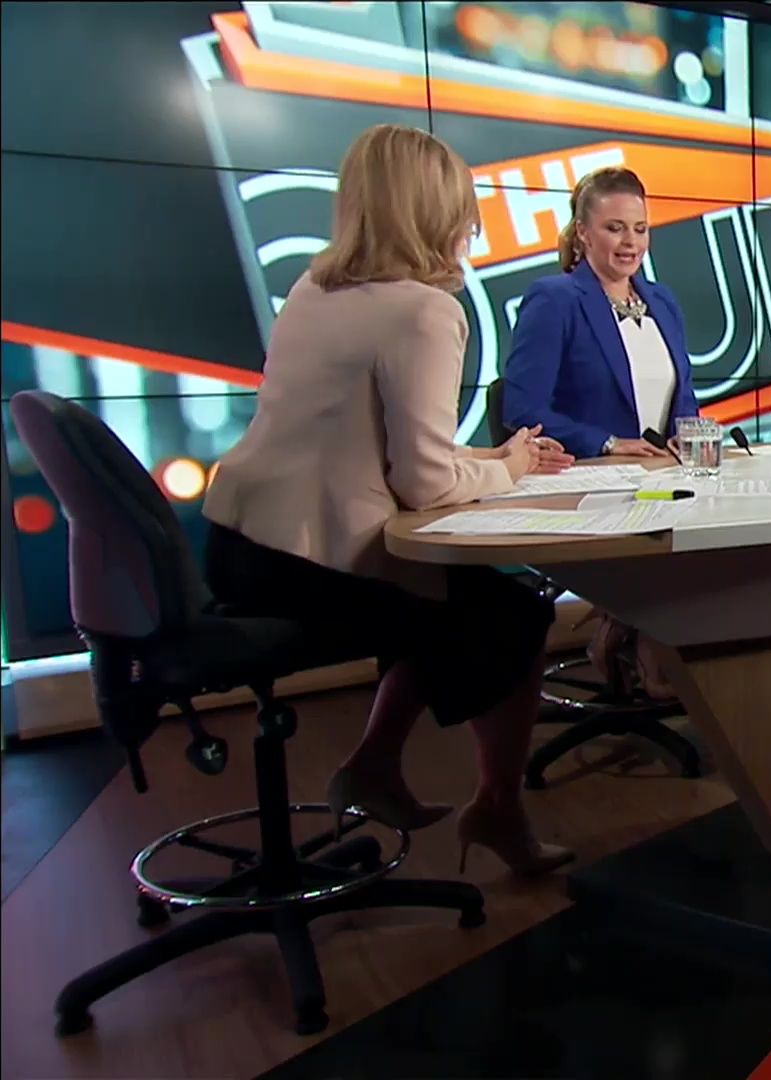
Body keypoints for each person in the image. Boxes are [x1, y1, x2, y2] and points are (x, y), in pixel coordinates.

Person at [201, 124, 576, 878]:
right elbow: (424, 484)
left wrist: (495, 458)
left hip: (241, 546)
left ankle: (374, 766)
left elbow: (355, 444)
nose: (471, 226)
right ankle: (496, 809)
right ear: (435, 211)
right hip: (311, 566)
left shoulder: (314, 289)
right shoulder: (423, 310)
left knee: (441, 597)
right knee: (515, 613)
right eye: (463, 208)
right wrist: (508, 469)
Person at [500, 167, 699, 459]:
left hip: (664, 472)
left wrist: (686, 436)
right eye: (615, 228)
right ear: (583, 232)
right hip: (588, 473)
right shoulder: (554, 300)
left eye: (640, 229)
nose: (631, 241)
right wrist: (608, 443)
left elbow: (685, 400)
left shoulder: (663, 301)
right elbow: (522, 410)